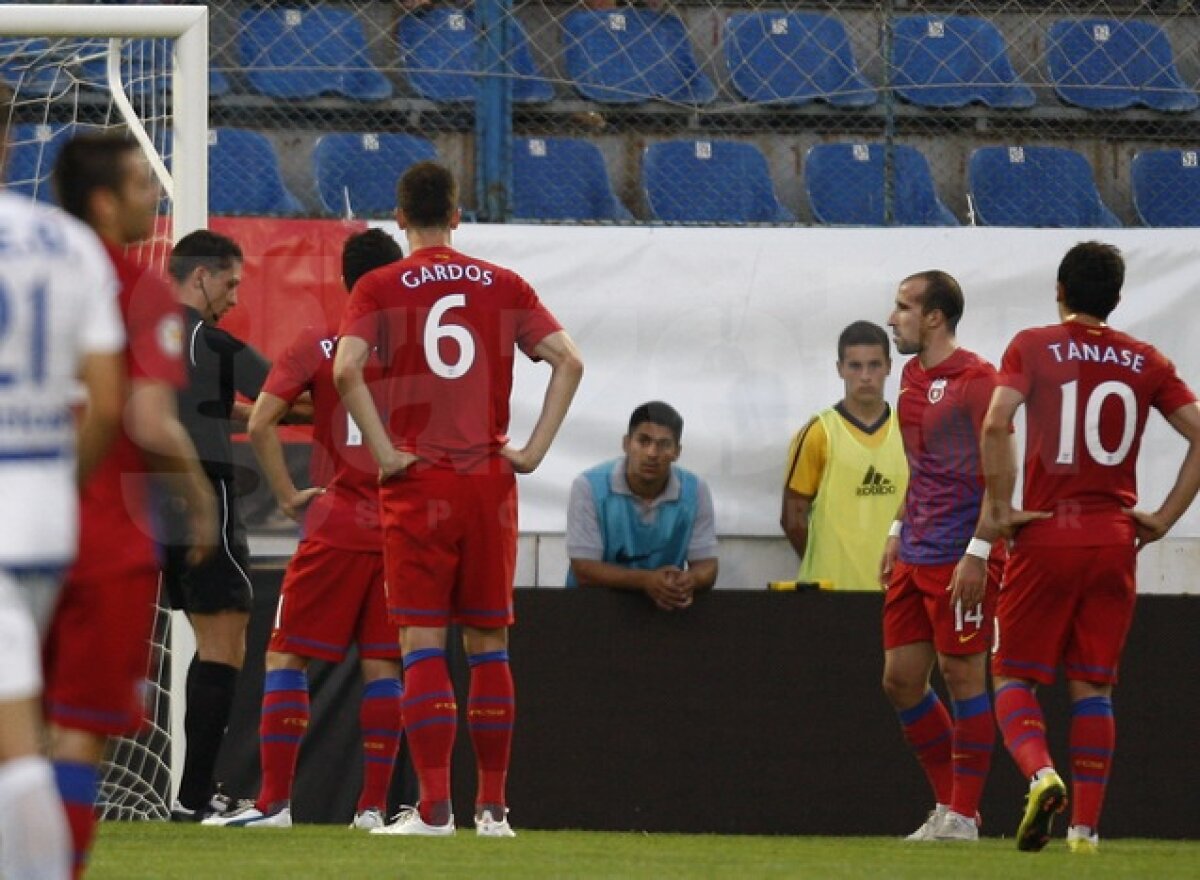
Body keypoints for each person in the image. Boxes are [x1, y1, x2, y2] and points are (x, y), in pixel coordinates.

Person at [334, 161, 583, 837]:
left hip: (420, 483)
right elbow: (569, 360)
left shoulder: (380, 284)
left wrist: (384, 451)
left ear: (398, 216)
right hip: (488, 485)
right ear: (457, 215)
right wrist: (529, 453)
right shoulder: (505, 285)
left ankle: (436, 808)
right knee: (488, 645)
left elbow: (344, 367)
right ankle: (495, 809)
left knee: (421, 642)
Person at [980, 242, 1200, 854]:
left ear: (1060, 290)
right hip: (1113, 539)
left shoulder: (1032, 346)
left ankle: (1041, 773)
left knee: (1014, 677)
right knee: (1094, 686)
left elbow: (997, 422)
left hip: (1047, 531)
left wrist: (1000, 510)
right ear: (1117, 299)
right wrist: (1162, 518)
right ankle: (1085, 831)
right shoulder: (1145, 359)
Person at [41, 133, 218, 876]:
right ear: (105, 200)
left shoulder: (26, 268)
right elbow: (145, 419)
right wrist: (199, 499)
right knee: (77, 731)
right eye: (145, 183)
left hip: (13, 523)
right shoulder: (137, 288)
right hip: (99, 537)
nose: (157, 195)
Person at [205, 228, 407, 831]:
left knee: (286, 654)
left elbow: (263, 422)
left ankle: (273, 803)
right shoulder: (423, 352)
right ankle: (373, 807)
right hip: (400, 529)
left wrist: (291, 496)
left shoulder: (321, 344)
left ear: (345, 281)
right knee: (383, 667)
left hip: (337, 525)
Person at [0, 89, 125, 880]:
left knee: (16, 748)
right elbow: (107, 403)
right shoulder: (69, 243)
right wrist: (59, 482)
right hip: (45, 517)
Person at [880, 270, 1004, 842]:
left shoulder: (979, 380)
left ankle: (963, 816)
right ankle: (950, 807)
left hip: (961, 553)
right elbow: (924, 466)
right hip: (915, 551)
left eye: (904, 307)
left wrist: (979, 551)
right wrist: (896, 526)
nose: (892, 318)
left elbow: (1002, 473)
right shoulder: (908, 377)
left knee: (963, 676)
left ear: (935, 317)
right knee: (901, 679)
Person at [162, 229, 272, 822]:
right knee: (224, 637)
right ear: (201, 276)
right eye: (230, 283)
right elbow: (289, 394)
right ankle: (194, 799)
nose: (233, 298)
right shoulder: (210, 341)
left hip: (126, 501)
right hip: (198, 497)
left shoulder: (134, 332)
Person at [781, 321, 907, 590]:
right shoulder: (818, 433)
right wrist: (824, 562)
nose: (865, 376)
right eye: (855, 366)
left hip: (897, 591)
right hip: (831, 594)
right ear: (840, 369)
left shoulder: (910, 432)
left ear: (889, 366)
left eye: (874, 365)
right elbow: (792, 518)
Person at [566, 401, 718, 609]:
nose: (652, 453)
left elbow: (707, 565)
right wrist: (647, 581)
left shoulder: (696, 490)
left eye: (664, 444)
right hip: (592, 611)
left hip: (665, 612)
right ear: (626, 443)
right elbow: (583, 569)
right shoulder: (588, 486)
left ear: (677, 452)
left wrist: (689, 581)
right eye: (643, 441)